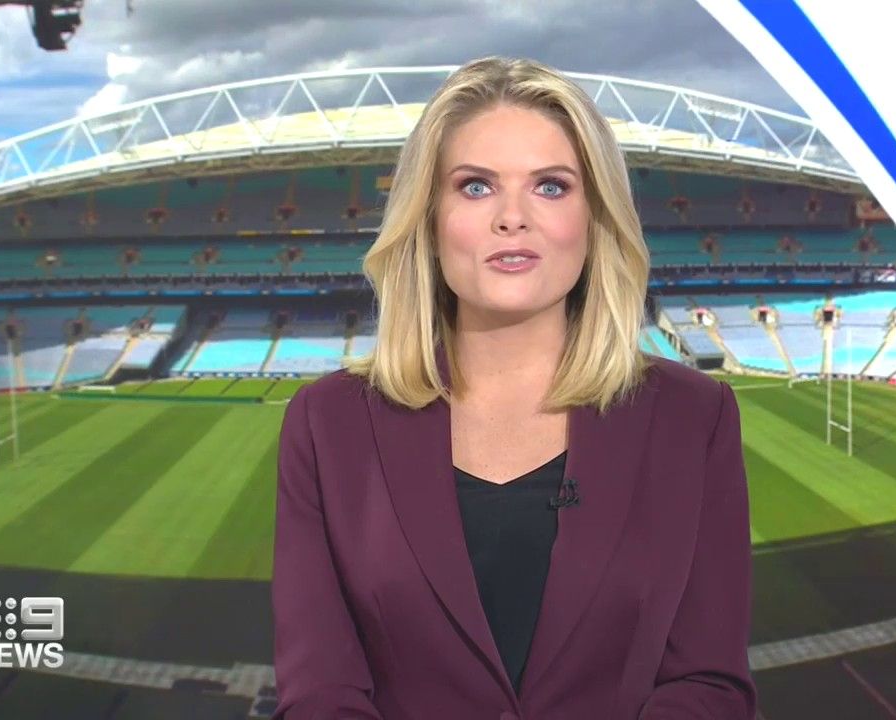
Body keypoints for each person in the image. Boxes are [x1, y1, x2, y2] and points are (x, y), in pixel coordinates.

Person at [272, 56, 756, 720]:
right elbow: (320, 694)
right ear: (429, 219)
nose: (512, 218)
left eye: (550, 187)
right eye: (475, 187)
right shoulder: (328, 423)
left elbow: (709, 682)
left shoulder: (692, 416)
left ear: (595, 216)